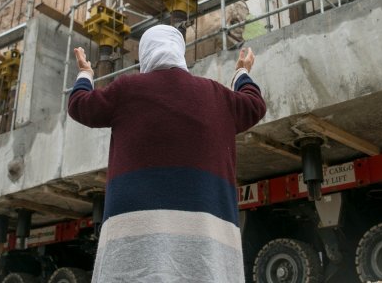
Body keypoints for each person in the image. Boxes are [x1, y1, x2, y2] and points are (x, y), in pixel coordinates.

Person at [68, 25, 266, 283]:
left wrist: (85, 73)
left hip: (137, 239)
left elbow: (79, 105)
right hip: (203, 245)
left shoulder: (127, 89)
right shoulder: (216, 95)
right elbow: (254, 105)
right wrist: (241, 72)